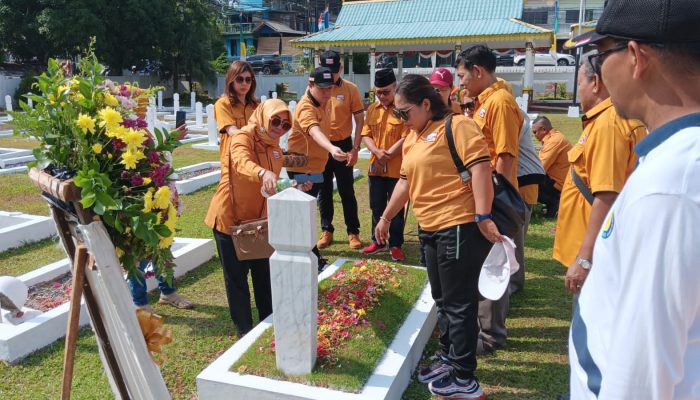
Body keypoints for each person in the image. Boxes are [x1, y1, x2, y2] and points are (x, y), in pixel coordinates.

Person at [564, 0, 700, 398]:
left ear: (637, 57)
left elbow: (640, 378)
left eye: (601, 54)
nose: (599, 71)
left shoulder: (670, 187)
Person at [375, 74, 500, 399]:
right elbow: (404, 182)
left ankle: (465, 378)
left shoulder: (457, 126)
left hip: (456, 226)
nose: (401, 119)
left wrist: (483, 215)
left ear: (426, 104)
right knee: (443, 299)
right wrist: (387, 217)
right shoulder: (415, 135)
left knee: (459, 304)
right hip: (429, 228)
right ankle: (448, 358)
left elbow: (481, 168)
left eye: (404, 112)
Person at [552, 51, 646, 296]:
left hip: (598, 253)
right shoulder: (604, 120)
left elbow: (606, 194)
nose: (579, 90)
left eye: (579, 83)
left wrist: (584, 258)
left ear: (595, 83)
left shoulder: (608, 124)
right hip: (597, 244)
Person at [204, 99, 296, 337]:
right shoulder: (242, 138)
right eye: (275, 120)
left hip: (259, 222)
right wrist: (262, 171)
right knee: (236, 280)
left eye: (285, 125)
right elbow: (242, 163)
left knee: (264, 277)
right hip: (230, 218)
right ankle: (244, 332)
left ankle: (269, 327)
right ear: (264, 116)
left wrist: (293, 185)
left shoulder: (274, 146)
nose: (279, 127)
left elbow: (270, 185)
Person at [455, 44, 521, 354]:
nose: (461, 83)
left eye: (462, 75)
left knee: (494, 264)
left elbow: (504, 158)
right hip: (484, 197)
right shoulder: (483, 103)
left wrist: (493, 206)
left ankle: (492, 335)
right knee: (483, 261)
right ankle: (483, 328)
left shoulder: (501, 103)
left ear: (478, 71)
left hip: (495, 199)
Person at [286, 67, 348, 271]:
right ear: (310, 85)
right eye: (323, 89)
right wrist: (331, 148)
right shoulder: (305, 107)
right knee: (302, 215)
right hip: (303, 169)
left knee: (306, 212)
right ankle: (311, 257)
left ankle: (309, 255)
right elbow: (314, 131)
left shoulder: (325, 100)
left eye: (330, 88)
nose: (328, 93)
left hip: (317, 166)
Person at [317, 51, 364, 250]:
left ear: (341, 69)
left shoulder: (350, 89)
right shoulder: (315, 89)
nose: (332, 75)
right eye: (328, 71)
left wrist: (355, 148)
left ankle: (353, 232)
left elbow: (360, 120)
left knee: (347, 190)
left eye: (334, 71)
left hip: (344, 145)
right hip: (322, 146)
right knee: (324, 190)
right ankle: (327, 229)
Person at [360, 69, 408, 261]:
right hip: (376, 167)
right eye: (378, 92)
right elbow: (366, 134)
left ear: (395, 87)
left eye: (385, 92)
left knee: (395, 208)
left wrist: (387, 155)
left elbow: (407, 136)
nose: (381, 96)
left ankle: (395, 244)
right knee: (376, 205)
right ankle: (378, 241)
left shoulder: (403, 108)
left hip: (397, 167)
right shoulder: (372, 109)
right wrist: (377, 153)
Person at [214, 61, 258, 161]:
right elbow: (233, 131)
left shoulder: (256, 106)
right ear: (231, 80)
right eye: (239, 79)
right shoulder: (223, 104)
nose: (244, 83)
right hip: (234, 161)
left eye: (248, 80)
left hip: (255, 160)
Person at [532, 116, 572, 218]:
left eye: (535, 132)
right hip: (559, 181)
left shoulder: (554, 141)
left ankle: (554, 202)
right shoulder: (555, 138)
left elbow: (539, 168)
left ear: (544, 130)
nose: (534, 135)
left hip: (558, 185)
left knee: (526, 182)